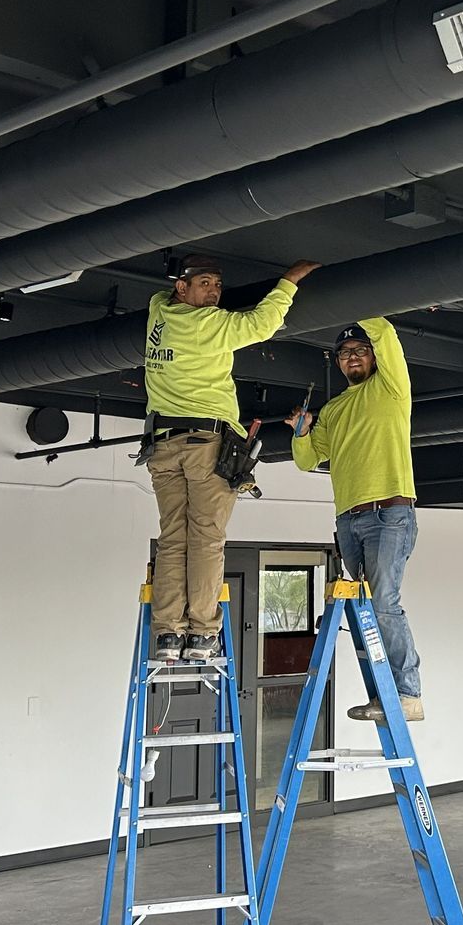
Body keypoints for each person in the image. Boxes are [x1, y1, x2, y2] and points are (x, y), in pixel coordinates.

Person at [144, 254, 318, 664]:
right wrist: (289, 280)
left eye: (217, 285)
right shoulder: (211, 324)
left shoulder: (158, 311)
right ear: (182, 288)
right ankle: (203, 633)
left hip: (163, 445)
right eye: (205, 284)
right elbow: (261, 323)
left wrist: (188, 286)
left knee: (173, 539)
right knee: (205, 537)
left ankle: (169, 634)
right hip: (205, 444)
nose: (215, 292)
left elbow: (159, 294)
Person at [288, 317, 423, 722]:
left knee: (383, 602)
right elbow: (307, 460)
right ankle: (383, 695)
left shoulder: (391, 387)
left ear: (374, 357)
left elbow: (386, 332)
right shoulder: (333, 409)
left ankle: (409, 695)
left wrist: (349, 300)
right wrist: (301, 432)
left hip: (389, 513)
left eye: (361, 351)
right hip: (349, 519)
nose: (353, 358)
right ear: (338, 363)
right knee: (366, 608)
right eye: (345, 354)